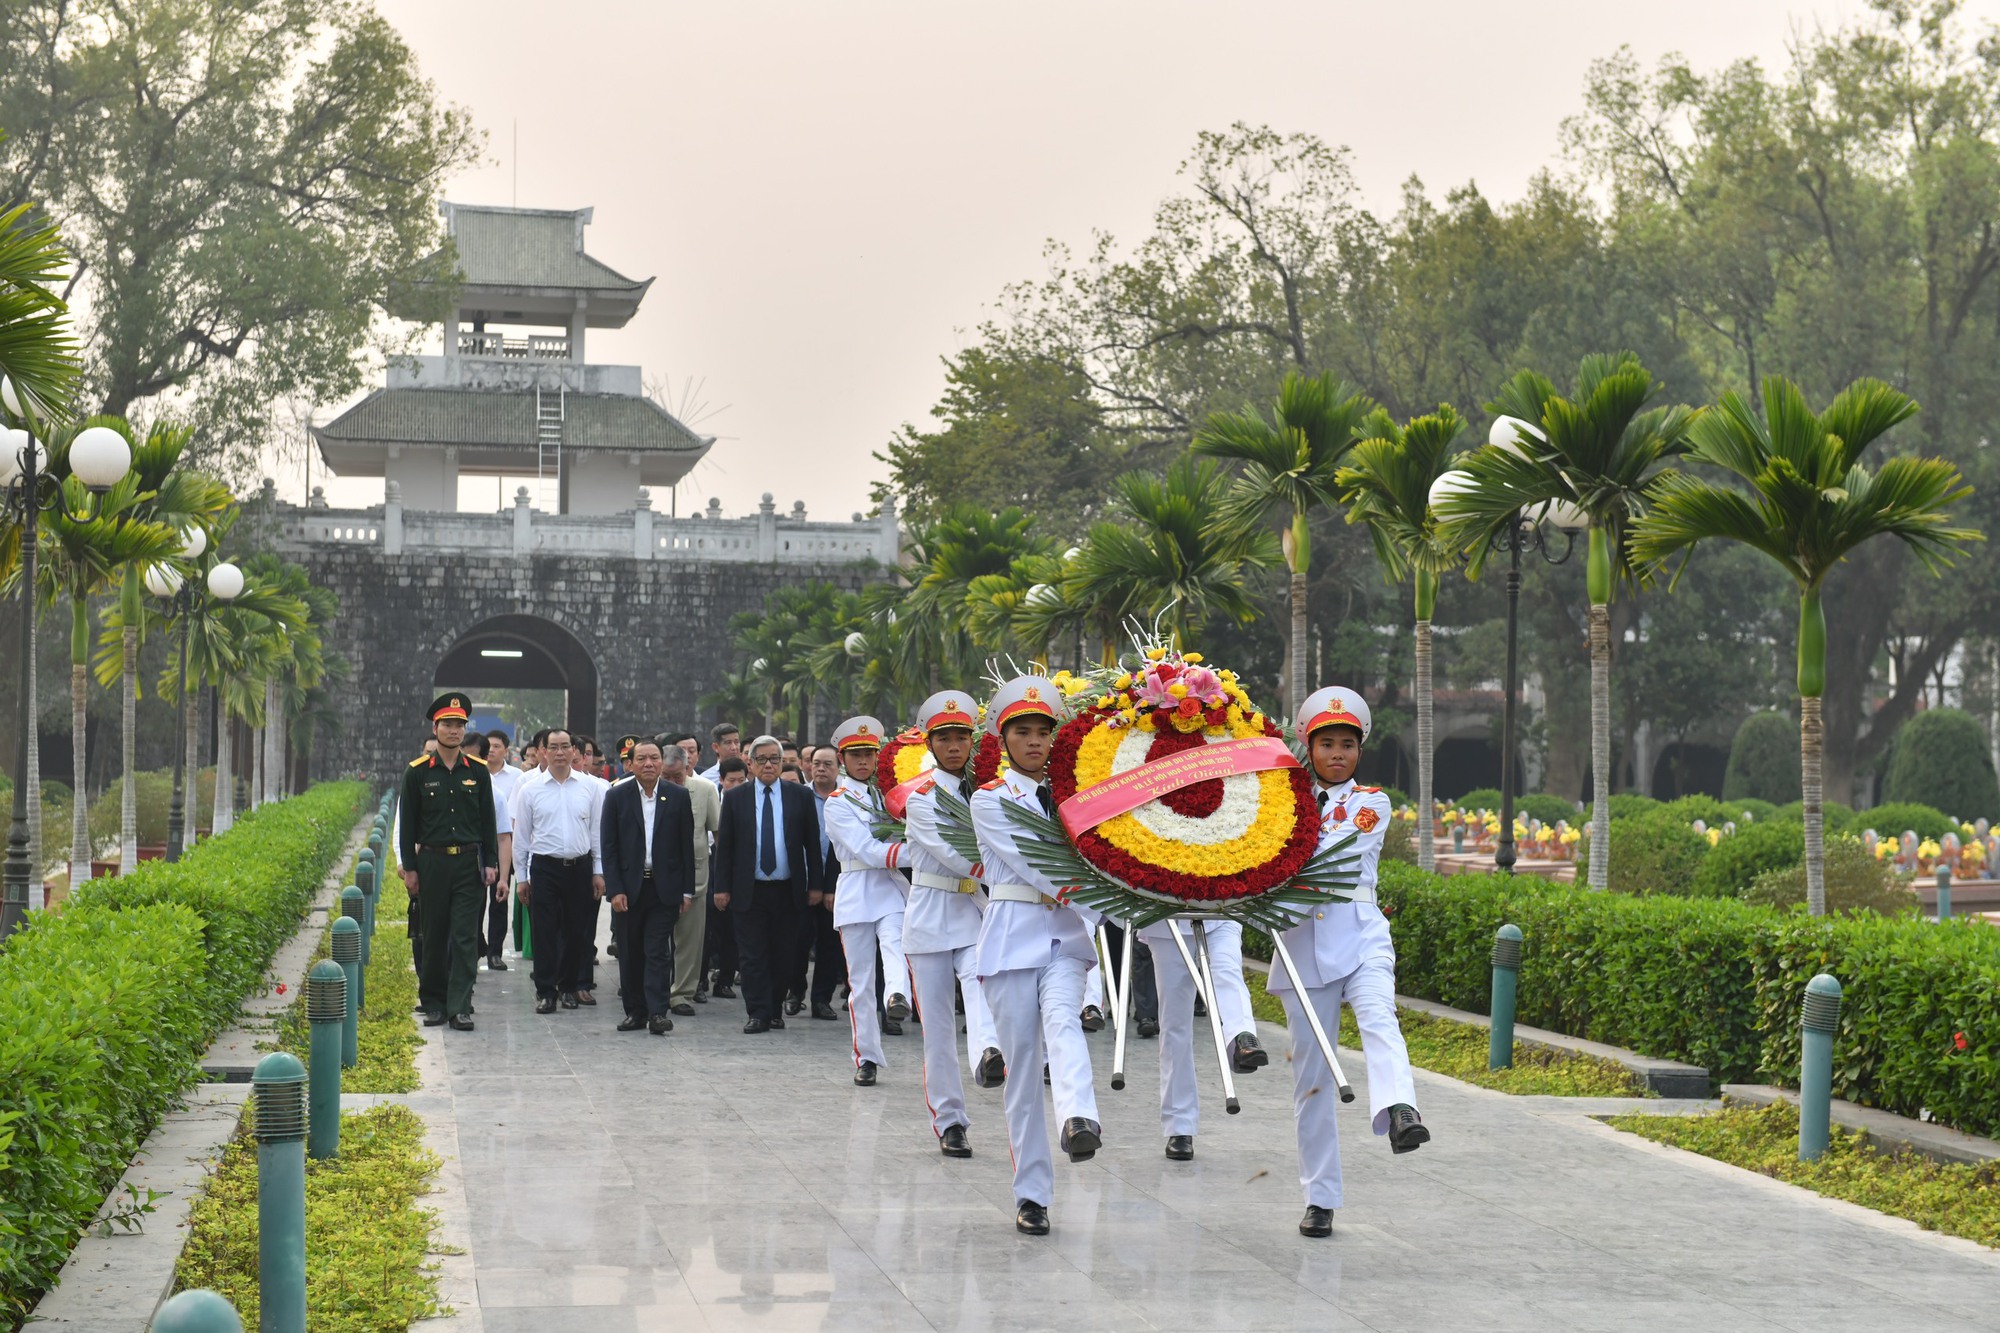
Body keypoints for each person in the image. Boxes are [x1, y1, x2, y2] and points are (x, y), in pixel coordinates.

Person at [1272, 685, 1428, 1239]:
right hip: (1300, 947)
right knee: (1310, 1082)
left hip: (1360, 936)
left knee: (1380, 1019)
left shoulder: (1371, 802)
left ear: (1360, 751)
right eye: (1326, 744)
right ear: (1308, 747)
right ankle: (1320, 1199)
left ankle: (1401, 1110)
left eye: (1347, 744)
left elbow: (1336, 859)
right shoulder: (1278, 802)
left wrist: (1270, 867)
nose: (1337, 754)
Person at [971, 675, 1102, 1235]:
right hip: (1012, 937)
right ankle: (1032, 1193)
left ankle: (1078, 1118)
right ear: (1004, 740)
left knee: (1064, 1020)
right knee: (1022, 1070)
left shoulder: (1080, 795)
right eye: (1022, 732)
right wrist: (1109, 893)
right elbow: (1033, 862)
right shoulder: (990, 800)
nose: (1033, 742)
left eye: (1042, 732)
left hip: (1065, 937)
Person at [902, 689, 1005, 1157]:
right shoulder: (921, 797)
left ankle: (988, 1052)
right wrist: (1012, 872)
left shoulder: (987, 790)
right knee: (939, 1030)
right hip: (929, 915)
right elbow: (954, 853)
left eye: (961, 737)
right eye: (944, 738)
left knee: (980, 980)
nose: (954, 746)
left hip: (973, 914)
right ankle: (950, 1121)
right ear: (931, 744)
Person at [820, 716, 912, 1087]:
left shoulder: (884, 795)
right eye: (855, 755)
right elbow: (866, 850)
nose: (863, 762)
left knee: (895, 944)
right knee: (859, 981)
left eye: (869, 755)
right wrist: (918, 853)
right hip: (858, 886)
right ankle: (867, 1056)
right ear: (843, 759)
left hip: (888, 888)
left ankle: (896, 997)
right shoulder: (837, 803)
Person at [399, 694, 499, 1032]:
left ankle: (460, 1005)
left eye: (459, 725)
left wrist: (492, 863)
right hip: (432, 863)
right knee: (434, 935)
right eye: (447, 724)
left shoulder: (479, 772)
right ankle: (434, 1003)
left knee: (466, 936)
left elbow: (488, 821)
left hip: (468, 863)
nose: (454, 731)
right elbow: (407, 825)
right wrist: (410, 868)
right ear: (435, 727)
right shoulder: (416, 773)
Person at [712, 735, 824, 1033]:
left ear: (782, 761)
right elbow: (726, 848)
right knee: (752, 955)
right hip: (749, 890)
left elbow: (812, 844)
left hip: (789, 889)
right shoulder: (737, 797)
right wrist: (721, 888)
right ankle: (758, 1012)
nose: (768, 765)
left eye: (774, 759)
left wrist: (815, 885)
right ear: (750, 763)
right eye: (761, 760)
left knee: (783, 954)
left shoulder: (799, 795)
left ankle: (775, 1009)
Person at [601, 739, 697, 1035]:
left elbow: (686, 847)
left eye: (654, 758)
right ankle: (635, 1011)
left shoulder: (678, 796)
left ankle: (658, 1012)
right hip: (629, 888)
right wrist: (614, 889)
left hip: (663, 887)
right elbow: (609, 846)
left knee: (658, 951)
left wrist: (687, 890)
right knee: (630, 952)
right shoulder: (617, 796)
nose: (648, 764)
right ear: (630, 763)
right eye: (641, 758)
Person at [512, 729, 606, 1015]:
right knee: (545, 931)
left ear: (574, 751)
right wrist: (522, 878)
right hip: (545, 867)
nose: (560, 752)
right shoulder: (531, 789)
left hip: (579, 866)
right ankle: (546, 991)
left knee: (576, 931)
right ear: (544, 752)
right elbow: (522, 838)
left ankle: (567, 988)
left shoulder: (589, 788)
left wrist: (598, 871)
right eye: (554, 747)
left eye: (566, 746)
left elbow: (596, 833)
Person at [661, 739, 721, 1016]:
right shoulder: (646, 790)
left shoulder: (706, 790)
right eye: (667, 776)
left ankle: (682, 993)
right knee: (655, 939)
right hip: (655, 877)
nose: (673, 783)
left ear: (688, 768)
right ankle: (655, 990)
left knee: (690, 941)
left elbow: (717, 833)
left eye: (678, 776)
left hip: (695, 876)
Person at [798, 748, 847, 1018]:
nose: (821, 769)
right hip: (802, 881)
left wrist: (830, 888)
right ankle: (796, 990)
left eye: (827, 764)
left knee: (829, 945)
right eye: (816, 764)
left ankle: (821, 999)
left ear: (838, 767)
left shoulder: (847, 798)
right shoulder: (800, 796)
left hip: (837, 883)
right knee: (797, 942)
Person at [704, 756, 748, 997]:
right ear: (721, 781)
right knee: (708, 926)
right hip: (711, 862)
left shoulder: (750, 802)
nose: (737, 785)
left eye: (742, 780)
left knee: (731, 928)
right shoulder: (711, 797)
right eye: (732, 780)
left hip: (737, 867)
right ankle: (701, 979)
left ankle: (725, 980)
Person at [483, 730, 521, 971]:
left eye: (497, 746)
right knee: (475, 902)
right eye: (489, 746)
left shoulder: (517, 777)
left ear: (506, 751)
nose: (492, 750)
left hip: (505, 844)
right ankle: (477, 946)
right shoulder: (474, 773)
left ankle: (495, 952)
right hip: (479, 845)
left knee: (499, 899)